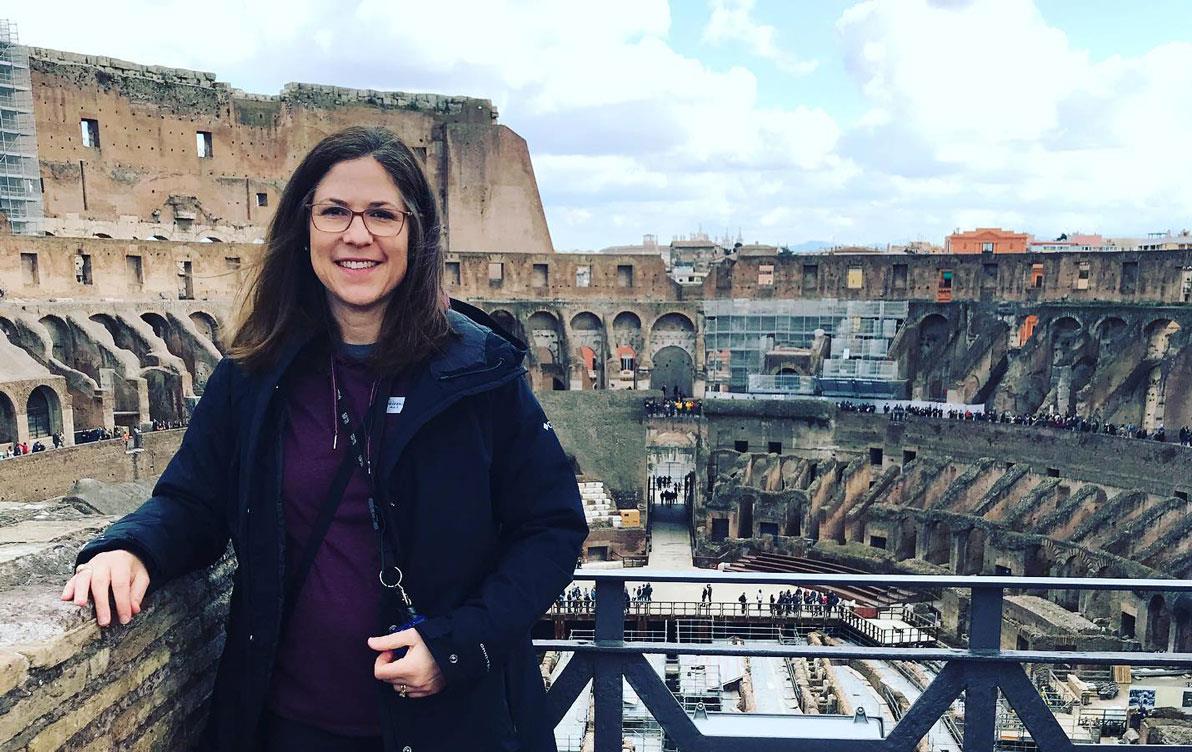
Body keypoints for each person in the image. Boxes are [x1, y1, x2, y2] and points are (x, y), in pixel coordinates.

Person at [60, 126, 588, 752]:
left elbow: (551, 528)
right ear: (303, 228)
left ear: (414, 234)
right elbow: (194, 501)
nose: (356, 235)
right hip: (289, 725)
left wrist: (457, 643)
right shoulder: (253, 374)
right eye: (334, 212)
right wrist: (131, 548)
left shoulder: (480, 373)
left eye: (381, 215)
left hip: (453, 723)